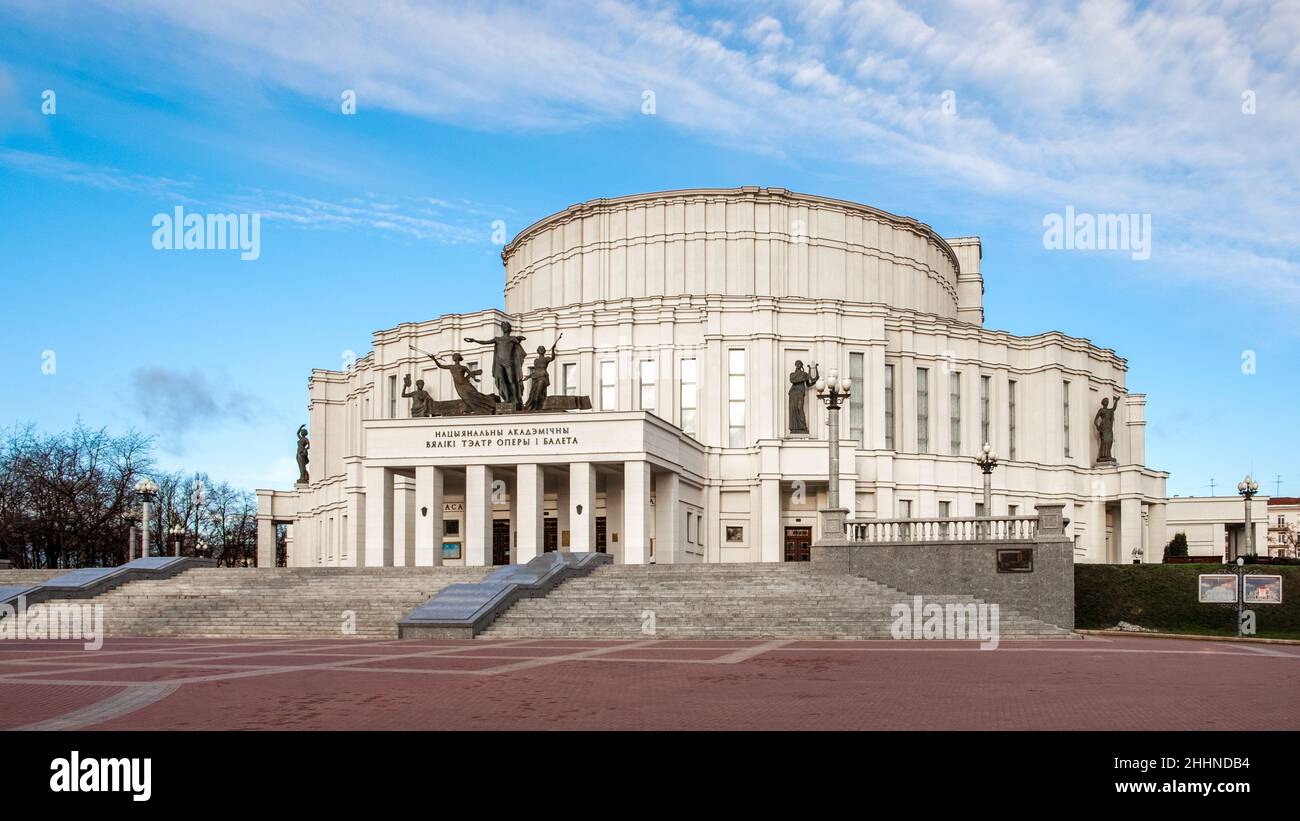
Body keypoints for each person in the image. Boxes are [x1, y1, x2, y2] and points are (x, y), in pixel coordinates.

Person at [464, 321, 527, 408]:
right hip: (499, 363)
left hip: (509, 363)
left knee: (511, 381)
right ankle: (507, 399)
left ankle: (515, 399)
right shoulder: (497, 339)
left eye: (506, 326)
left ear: (509, 329)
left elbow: (520, 341)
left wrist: (520, 338)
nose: (504, 328)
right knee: (501, 381)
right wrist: (474, 340)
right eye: (503, 326)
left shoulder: (512, 338)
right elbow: (485, 342)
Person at [428, 352, 497, 415]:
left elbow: (470, 373)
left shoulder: (463, 367)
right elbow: (440, 366)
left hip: (465, 384)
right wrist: (434, 359)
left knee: (475, 395)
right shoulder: (451, 367)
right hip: (459, 386)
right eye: (454, 356)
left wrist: (475, 379)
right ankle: (480, 409)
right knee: (466, 398)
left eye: (455, 356)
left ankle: (489, 403)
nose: (454, 357)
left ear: (458, 358)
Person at [524, 338, 560, 411]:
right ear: (537, 351)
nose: (541, 349)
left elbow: (552, 358)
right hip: (535, 377)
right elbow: (535, 371)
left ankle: (539, 407)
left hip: (542, 377)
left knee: (538, 394)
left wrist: (553, 349)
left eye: (542, 348)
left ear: (544, 351)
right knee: (532, 394)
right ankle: (534, 408)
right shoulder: (536, 360)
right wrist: (528, 376)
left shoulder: (546, 359)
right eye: (540, 348)